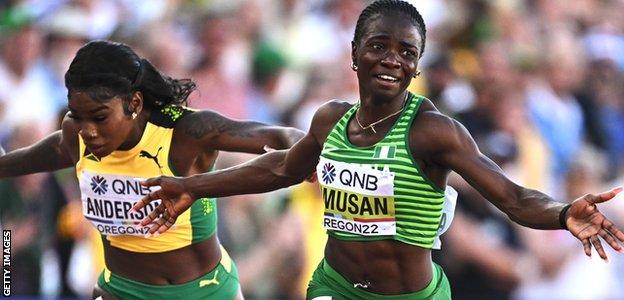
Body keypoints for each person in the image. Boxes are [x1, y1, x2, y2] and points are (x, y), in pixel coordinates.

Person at [132, 1, 624, 299]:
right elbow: (281, 168)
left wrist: (562, 214)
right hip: (335, 287)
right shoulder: (330, 120)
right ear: (354, 53)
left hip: (410, 296)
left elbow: (514, 198)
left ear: (417, 65)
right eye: (379, 46)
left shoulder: (434, 131)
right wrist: (192, 186)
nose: (392, 60)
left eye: (407, 52)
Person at [0, 40, 305, 299]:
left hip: (203, 292)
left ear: (134, 103)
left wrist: (306, 156)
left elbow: (284, 137)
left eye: (100, 117)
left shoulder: (185, 132)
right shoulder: (77, 134)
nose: (88, 131)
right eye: (77, 116)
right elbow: (55, 150)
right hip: (121, 290)